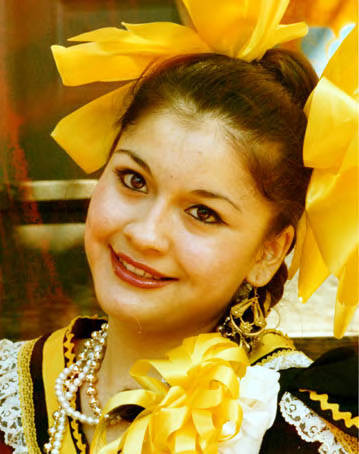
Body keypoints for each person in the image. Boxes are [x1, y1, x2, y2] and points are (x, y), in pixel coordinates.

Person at [0, 1, 357, 453]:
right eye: (133, 181)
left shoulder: (298, 428)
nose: (145, 235)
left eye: (203, 213)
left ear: (269, 251)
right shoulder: (14, 387)